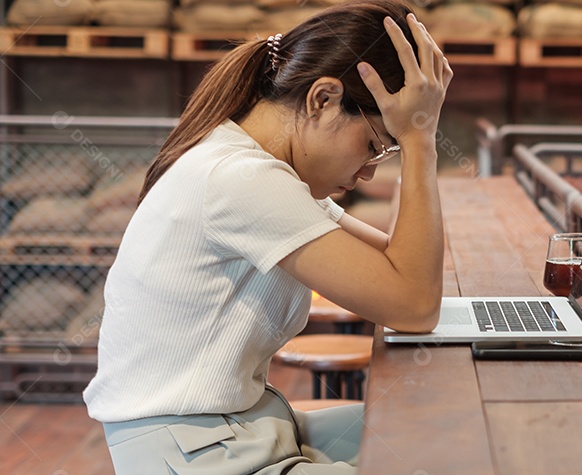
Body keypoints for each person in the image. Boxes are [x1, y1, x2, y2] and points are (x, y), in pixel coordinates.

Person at [82, 0, 452, 472]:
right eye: (375, 146)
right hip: (198, 453)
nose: (365, 174)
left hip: (243, 427)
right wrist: (420, 138)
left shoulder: (264, 170)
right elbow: (414, 305)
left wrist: (413, 134)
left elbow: (399, 267)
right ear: (322, 99)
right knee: (446, 453)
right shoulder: (239, 179)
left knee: (436, 428)